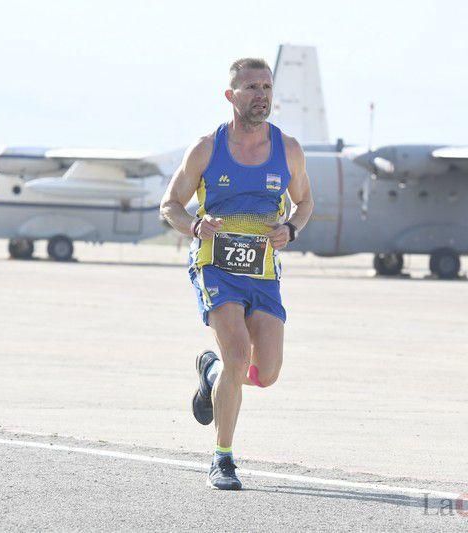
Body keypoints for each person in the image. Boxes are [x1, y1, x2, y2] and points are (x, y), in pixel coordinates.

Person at [159, 57, 314, 490]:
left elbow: (305, 204)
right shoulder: (207, 148)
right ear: (231, 96)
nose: (261, 95)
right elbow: (169, 203)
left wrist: (290, 229)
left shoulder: (289, 150)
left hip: (263, 271)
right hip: (215, 265)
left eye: (266, 87)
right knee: (237, 353)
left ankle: (211, 375)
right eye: (251, 88)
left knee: (266, 372)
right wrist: (192, 225)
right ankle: (223, 458)